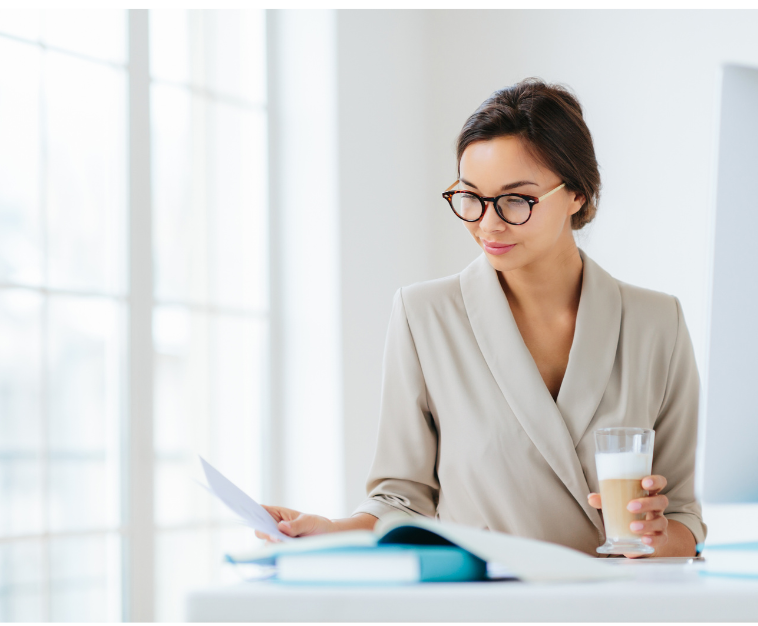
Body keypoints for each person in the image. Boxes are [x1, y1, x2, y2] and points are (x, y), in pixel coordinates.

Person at [258, 78, 705, 557]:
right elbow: (401, 499)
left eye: (516, 200)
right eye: (470, 197)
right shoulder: (423, 315)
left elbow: (681, 516)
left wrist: (656, 537)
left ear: (576, 193)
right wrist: (330, 529)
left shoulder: (658, 323)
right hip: (482, 601)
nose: (487, 223)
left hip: (614, 602)